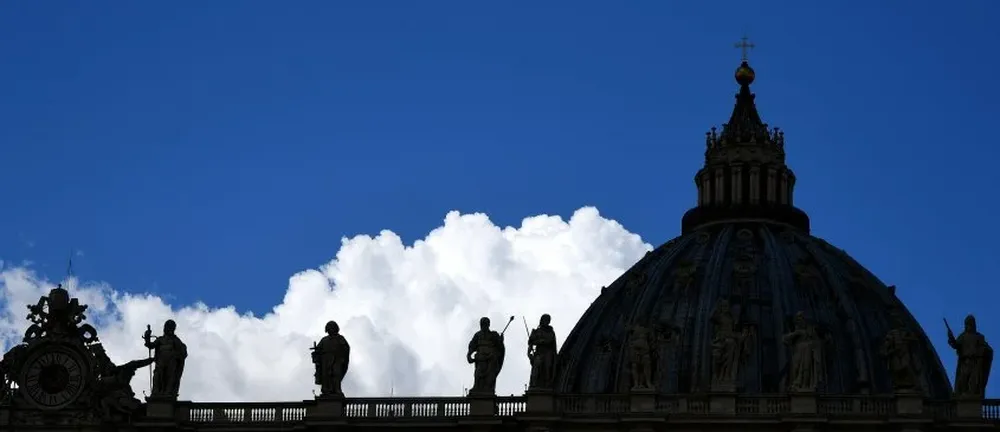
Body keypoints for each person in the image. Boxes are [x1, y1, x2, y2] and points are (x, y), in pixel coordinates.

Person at [143, 319, 187, 397]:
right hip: (161, 362)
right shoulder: (160, 339)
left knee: (170, 378)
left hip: (171, 362)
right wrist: (147, 337)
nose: (168, 329)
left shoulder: (176, 340)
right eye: (167, 327)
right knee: (157, 377)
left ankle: (168, 393)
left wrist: (177, 355)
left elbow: (183, 352)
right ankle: (156, 393)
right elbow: (150, 345)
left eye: (170, 327)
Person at [467, 317, 505, 395]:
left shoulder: (493, 335)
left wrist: (500, 341)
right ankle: (477, 387)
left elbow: (499, 347)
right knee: (478, 374)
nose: (484, 326)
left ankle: (487, 389)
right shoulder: (477, 335)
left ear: (488, 325)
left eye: (485, 324)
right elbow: (472, 345)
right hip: (480, 358)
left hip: (491, 359)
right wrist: (469, 355)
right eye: (482, 324)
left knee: (489, 376)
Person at [313, 320, 351, 397]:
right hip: (326, 361)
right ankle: (326, 390)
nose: (330, 330)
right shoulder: (324, 340)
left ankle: (337, 390)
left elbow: (346, 348)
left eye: (332, 328)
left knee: (336, 374)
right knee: (326, 376)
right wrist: (316, 352)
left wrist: (343, 357)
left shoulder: (340, 338)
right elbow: (318, 350)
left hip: (337, 360)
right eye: (329, 328)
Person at [527, 314, 557, 389]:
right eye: (545, 320)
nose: (546, 321)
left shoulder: (550, 331)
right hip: (539, 353)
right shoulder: (537, 331)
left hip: (548, 353)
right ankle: (534, 384)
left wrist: (539, 341)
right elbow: (531, 342)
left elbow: (550, 341)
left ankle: (547, 385)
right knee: (536, 367)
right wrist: (532, 340)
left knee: (548, 368)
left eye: (547, 320)